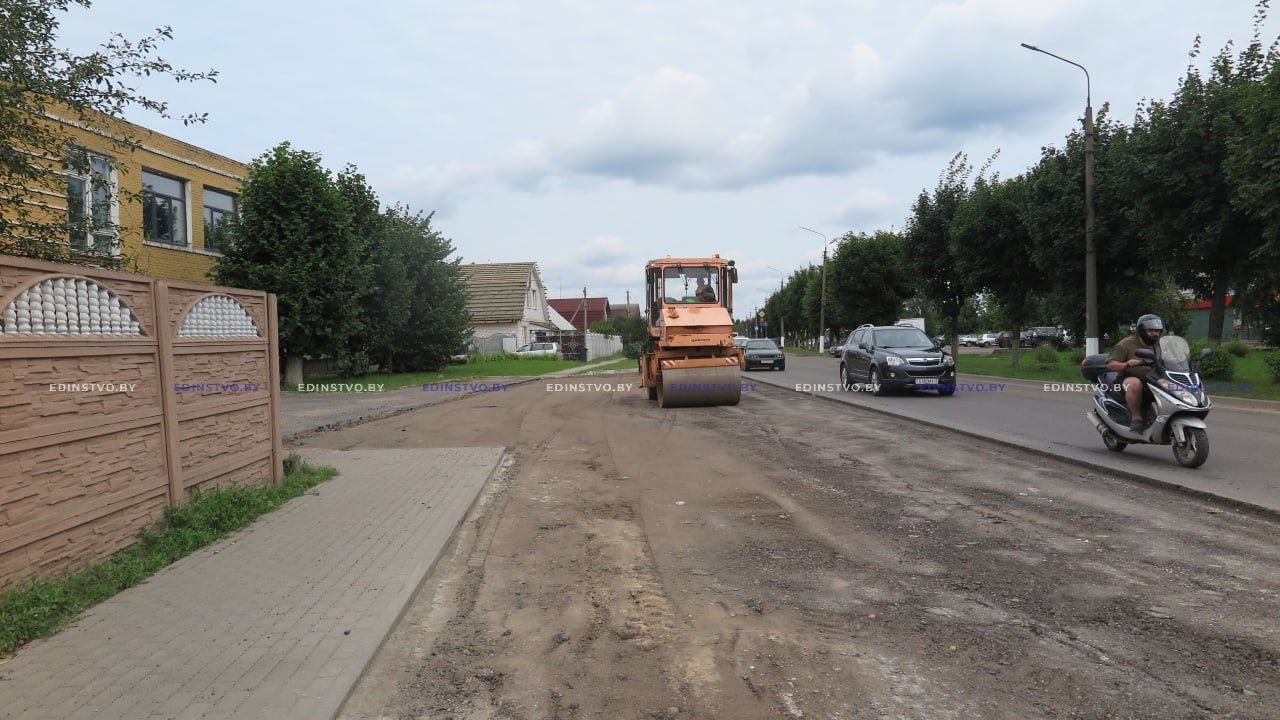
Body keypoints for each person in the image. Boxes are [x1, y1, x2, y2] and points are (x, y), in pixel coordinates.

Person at [1106, 314, 1164, 431]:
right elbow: (1110, 365)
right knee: (1134, 383)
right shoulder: (1126, 344)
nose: (1155, 334)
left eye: (1157, 331)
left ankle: (1168, 417)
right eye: (1151, 330)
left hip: (1153, 378)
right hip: (1127, 379)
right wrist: (1126, 364)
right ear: (1142, 330)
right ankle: (1136, 418)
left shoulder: (1160, 345)